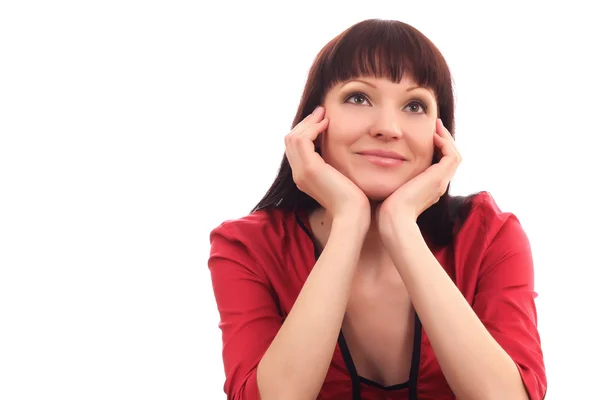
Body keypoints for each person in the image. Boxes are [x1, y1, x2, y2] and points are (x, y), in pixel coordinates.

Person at [207, 18, 546, 400]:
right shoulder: (248, 247)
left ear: (441, 134)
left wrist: (400, 226)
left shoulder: (488, 237)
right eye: (358, 98)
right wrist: (350, 219)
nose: (388, 127)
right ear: (314, 120)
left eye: (414, 105)